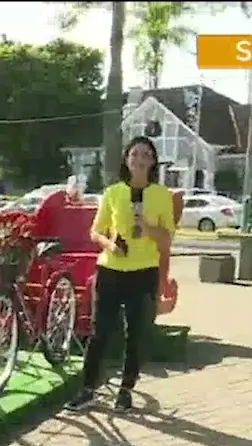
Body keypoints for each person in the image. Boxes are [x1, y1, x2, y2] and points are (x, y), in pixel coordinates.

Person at [66, 136, 175, 413]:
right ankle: (88, 388)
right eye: (135, 154)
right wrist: (110, 244)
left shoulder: (162, 195)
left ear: (153, 162)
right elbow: (95, 231)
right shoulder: (113, 192)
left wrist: (148, 227)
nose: (140, 160)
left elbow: (166, 239)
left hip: (143, 273)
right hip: (111, 271)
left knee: (135, 334)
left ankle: (126, 389)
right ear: (127, 159)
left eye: (146, 155)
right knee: (99, 331)